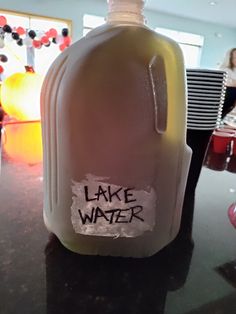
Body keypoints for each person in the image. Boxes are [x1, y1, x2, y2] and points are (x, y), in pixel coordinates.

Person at [220, 48, 236, 118]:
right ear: (230, 58)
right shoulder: (225, 69)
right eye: (235, 57)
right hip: (227, 96)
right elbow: (226, 83)